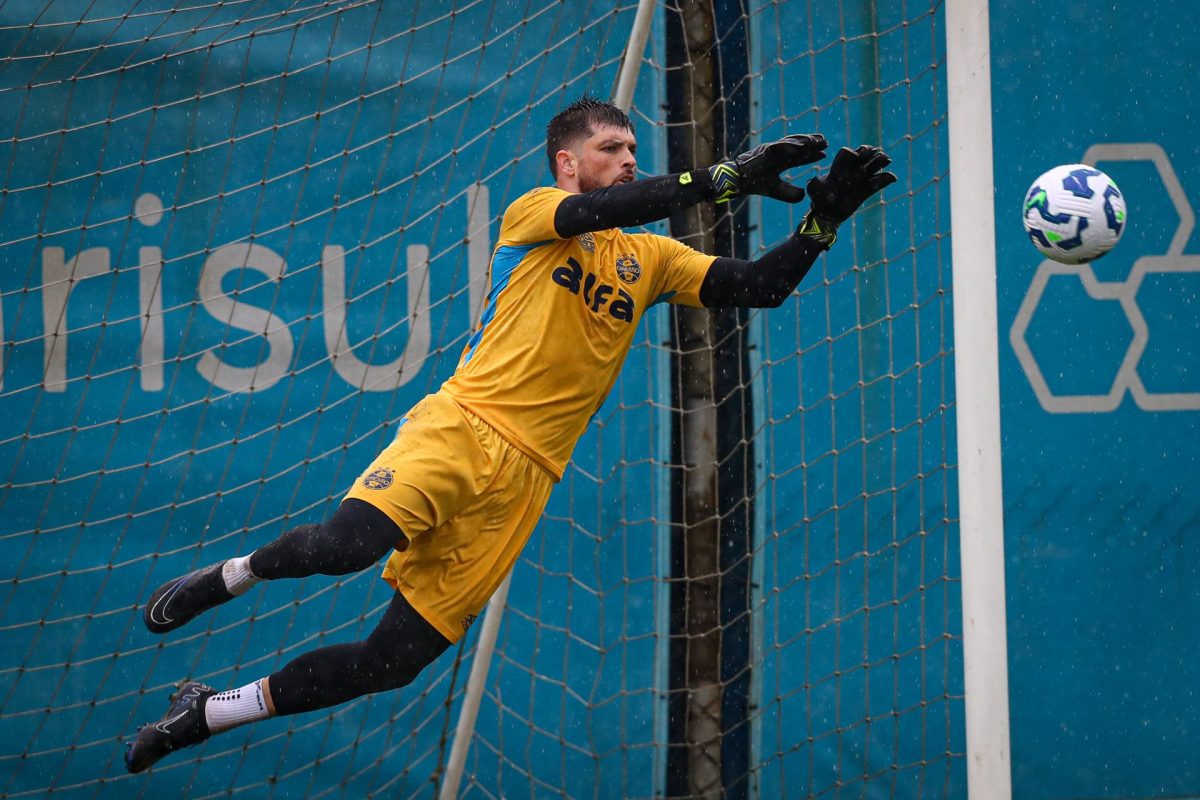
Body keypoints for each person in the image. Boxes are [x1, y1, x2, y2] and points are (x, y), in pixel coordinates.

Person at [125, 96, 895, 773]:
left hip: (528, 478)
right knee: (346, 548)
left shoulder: (652, 259)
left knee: (391, 663)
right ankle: (232, 576)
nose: (627, 161)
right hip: (462, 428)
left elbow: (760, 287)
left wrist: (822, 223)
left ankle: (207, 712)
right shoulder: (535, 213)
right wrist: (721, 177)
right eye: (610, 150)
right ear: (568, 163)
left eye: (633, 151)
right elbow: (604, 213)